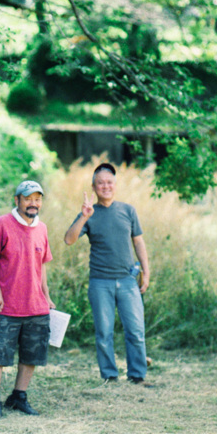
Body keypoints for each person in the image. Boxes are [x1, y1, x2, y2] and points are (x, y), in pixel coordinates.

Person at [64, 162, 152, 385]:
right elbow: (69, 239)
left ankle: (137, 375)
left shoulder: (128, 210)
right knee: (104, 334)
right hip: (100, 282)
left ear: (115, 185)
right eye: (100, 183)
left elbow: (138, 241)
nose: (106, 186)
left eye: (109, 182)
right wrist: (84, 216)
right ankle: (110, 376)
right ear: (93, 187)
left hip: (128, 280)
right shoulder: (89, 214)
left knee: (136, 331)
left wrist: (146, 271)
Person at [0, 179, 55, 419]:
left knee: (32, 354)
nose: (33, 203)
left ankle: (18, 396)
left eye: (37, 199)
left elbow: (42, 265)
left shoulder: (42, 228)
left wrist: (47, 296)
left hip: (36, 305)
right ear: (17, 200)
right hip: (7, 304)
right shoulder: (2, 224)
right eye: (28, 198)